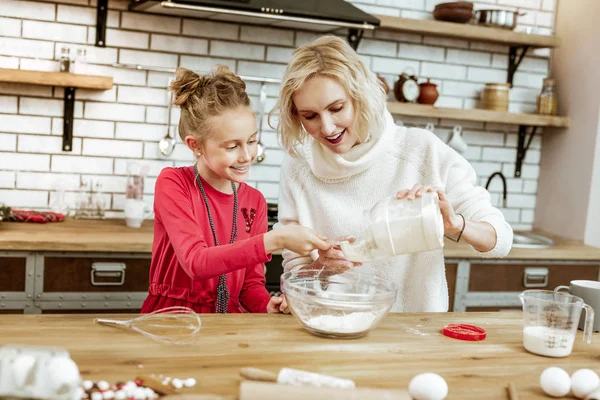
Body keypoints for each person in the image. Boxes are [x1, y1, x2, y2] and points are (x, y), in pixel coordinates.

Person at [271, 36, 513, 312]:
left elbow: (500, 240)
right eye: (310, 116)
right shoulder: (297, 167)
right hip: (330, 328)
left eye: (337, 108)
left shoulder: (422, 152)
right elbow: (295, 275)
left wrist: (456, 224)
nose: (326, 128)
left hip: (413, 335)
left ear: (360, 97)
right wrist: (321, 268)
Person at [142, 66, 330, 314]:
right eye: (232, 146)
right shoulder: (174, 184)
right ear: (195, 145)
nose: (246, 156)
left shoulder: (254, 202)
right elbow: (195, 262)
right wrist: (276, 239)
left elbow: (249, 285)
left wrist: (265, 304)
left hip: (228, 326)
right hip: (171, 319)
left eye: (251, 141)